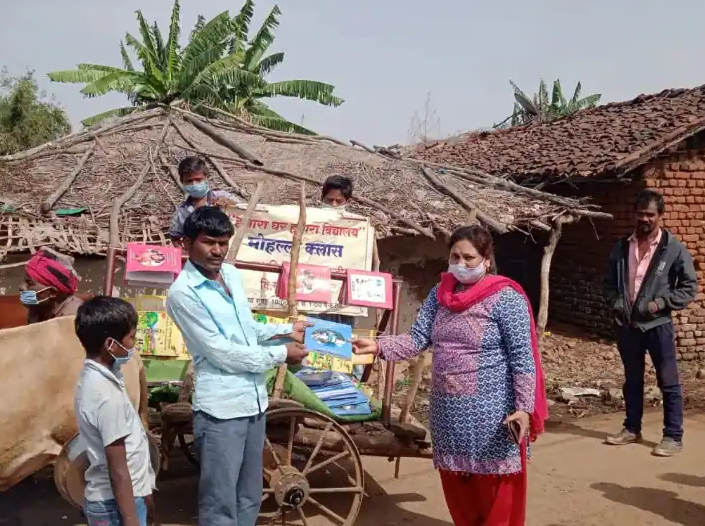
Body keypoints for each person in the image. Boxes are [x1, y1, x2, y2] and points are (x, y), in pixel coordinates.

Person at [352, 225, 547, 526]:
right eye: (455, 256)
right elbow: (417, 339)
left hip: (492, 416)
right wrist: (377, 345)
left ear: (487, 259)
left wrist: (523, 408)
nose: (461, 264)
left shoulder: (506, 298)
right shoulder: (439, 294)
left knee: (494, 494)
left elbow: (522, 358)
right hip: (448, 413)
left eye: (469, 257)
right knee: (459, 492)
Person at [165, 206, 310, 526]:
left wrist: (283, 330)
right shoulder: (182, 294)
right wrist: (282, 354)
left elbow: (246, 328)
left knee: (249, 493)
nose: (217, 250)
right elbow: (222, 353)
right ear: (187, 244)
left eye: (223, 242)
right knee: (220, 499)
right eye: (208, 242)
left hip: (254, 402)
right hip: (221, 410)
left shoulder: (230, 274)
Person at [604, 189, 697, 456]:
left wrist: (659, 304)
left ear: (661, 216)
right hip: (628, 326)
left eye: (650, 214)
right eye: (640, 214)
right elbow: (609, 283)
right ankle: (632, 429)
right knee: (632, 380)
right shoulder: (623, 246)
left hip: (658, 326)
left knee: (668, 381)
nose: (644, 219)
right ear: (635, 214)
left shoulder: (673, 248)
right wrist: (616, 301)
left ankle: (673, 435)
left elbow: (688, 287)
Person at [74, 296, 156, 526]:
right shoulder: (105, 395)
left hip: (119, 498)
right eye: (131, 337)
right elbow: (118, 468)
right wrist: (131, 520)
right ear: (110, 344)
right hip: (115, 504)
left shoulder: (95, 378)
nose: (134, 344)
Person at [312, 175, 365, 379]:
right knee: (315, 341)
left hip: (342, 299)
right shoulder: (310, 222)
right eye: (329, 201)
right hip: (314, 295)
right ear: (322, 199)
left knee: (343, 340)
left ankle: (348, 385)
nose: (333, 205)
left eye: (338, 202)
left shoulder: (357, 229)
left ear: (347, 202)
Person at [169, 156, 239, 247]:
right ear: (182, 182)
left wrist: (229, 203)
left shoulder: (222, 196)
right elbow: (175, 237)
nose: (194, 184)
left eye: (198, 179)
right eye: (189, 181)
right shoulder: (182, 211)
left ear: (206, 178)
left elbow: (245, 210)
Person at [20, 249, 84, 323]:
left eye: (30, 283)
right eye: (25, 280)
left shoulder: (74, 319)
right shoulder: (36, 309)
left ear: (53, 293)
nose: (22, 286)